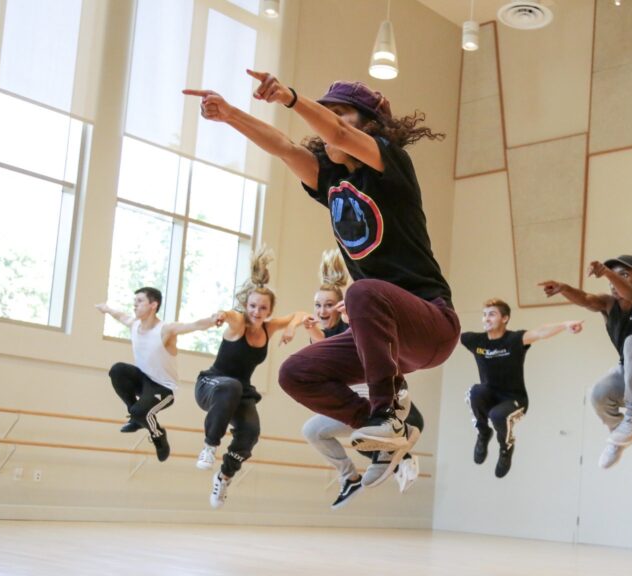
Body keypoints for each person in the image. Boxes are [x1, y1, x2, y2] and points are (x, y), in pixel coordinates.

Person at [184, 74, 459, 463]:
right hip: (387, 340)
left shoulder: (390, 162)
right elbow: (283, 147)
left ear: (369, 126)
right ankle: (383, 432)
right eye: (323, 114)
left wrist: (290, 97)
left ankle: (386, 413)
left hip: (430, 324)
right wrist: (230, 115)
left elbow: (343, 137)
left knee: (361, 290)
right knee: (295, 373)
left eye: (339, 115)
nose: (326, 124)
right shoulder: (330, 179)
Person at [298, 249, 425, 509]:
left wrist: (352, 317)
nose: (323, 310)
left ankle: (402, 455)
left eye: (329, 304)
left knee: (364, 433)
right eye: (318, 305)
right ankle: (350, 478)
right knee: (312, 431)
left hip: (379, 400)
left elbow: (366, 343)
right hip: (353, 403)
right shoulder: (318, 334)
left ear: (340, 305)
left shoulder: (350, 323)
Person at [539, 255, 632, 469]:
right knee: (597, 394)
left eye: (623, 275)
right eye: (613, 276)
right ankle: (619, 437)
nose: (615, 282)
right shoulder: (608, 304)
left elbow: (631, 294)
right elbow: (586, 298)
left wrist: (606, 271)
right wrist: (564, 288)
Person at [194, 247, 303, 509]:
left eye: (263, 308)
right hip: (212, 385)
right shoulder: (238, 322)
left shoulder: (269, 326)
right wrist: (220, 315)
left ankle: (224, 477)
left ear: (269, 310)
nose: (257, 311)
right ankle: (209, 446)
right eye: (253, 306)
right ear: (246, 305)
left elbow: (300, 314)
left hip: (239, 391)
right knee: (230, 385)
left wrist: (290, 327)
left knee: (250, 432)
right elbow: (227, 314)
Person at [460, 298, 583, 478]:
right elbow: (449, 334)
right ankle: (483, 433)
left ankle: (505, 448)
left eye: (492, 314)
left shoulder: (514, 339)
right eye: (484, 315)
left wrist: (565, 324)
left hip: (514, 400)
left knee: (497, 415)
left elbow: (540, 332)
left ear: (505, 318)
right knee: (475, 391)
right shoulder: (476, 341)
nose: (486, 319)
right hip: (489, 396)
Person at [96, 288, 219, 462]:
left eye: (140, 301)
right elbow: (119, 315)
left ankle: (158, 435)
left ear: (153, 305)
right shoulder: (134, 324)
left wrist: (214, 320)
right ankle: (135, 416)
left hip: (164, 388)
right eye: (135, 300)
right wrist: (106, 308)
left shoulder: (165, 330)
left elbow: (194, 325)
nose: (135, 304)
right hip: (143, 380)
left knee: (141, 412)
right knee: (117, 370)